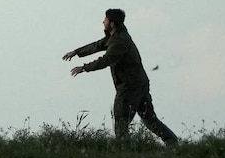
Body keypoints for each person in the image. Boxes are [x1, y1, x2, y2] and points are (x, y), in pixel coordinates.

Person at [62, 9, 179, 145]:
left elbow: (106, 60)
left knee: (121, 120)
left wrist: (84, 68)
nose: (103, 21)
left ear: (112, 24)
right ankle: (172, 142)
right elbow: (98, 45)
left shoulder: (119, 41)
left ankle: (123, 148)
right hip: (139, 83)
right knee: (149, 119)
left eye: (105, 20)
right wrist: (76, 52)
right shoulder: (115, 36)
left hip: (129, 86)